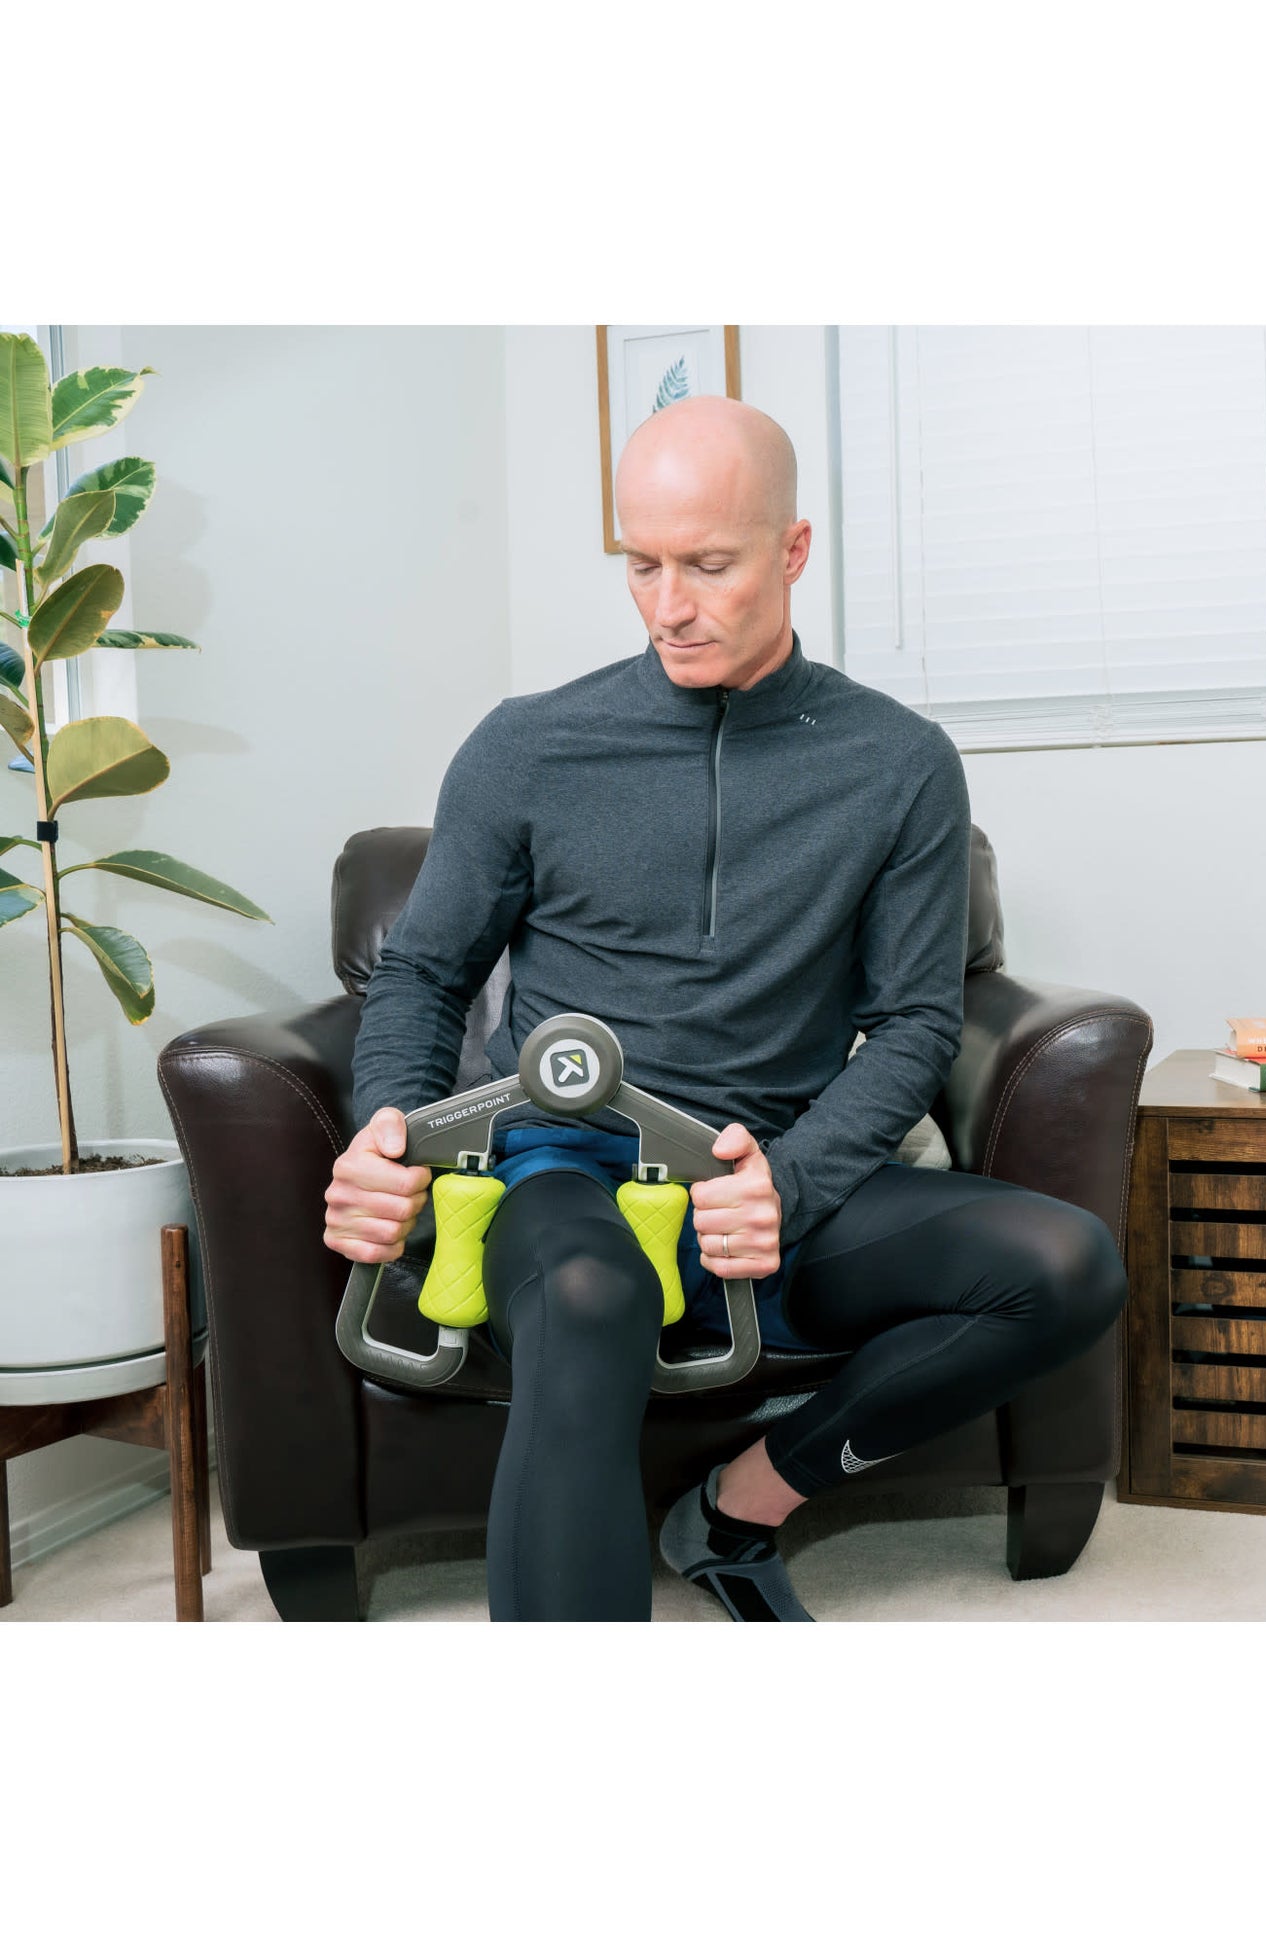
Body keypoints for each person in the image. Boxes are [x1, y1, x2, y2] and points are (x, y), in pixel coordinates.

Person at [322, 395, 1127, 1622]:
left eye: (708, 565)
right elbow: (421, 974)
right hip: (565, 1178)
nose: (668, 605)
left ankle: (742, 1502)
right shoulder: (528, 745)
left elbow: (914, 1021)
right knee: (587, 1290)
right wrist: (389, 1133)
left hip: (766, 1185)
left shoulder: (895, 761)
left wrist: (786, 1188)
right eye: (639, 565)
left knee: (1064, 1266)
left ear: (791, 551)